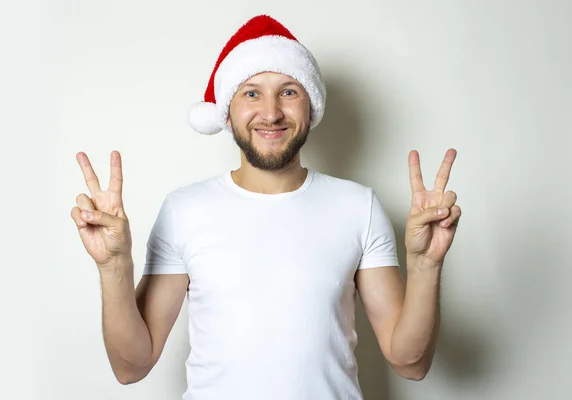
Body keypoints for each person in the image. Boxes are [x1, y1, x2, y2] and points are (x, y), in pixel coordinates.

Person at [71, 15, 461, 400]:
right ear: (227, 111)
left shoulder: (359, 207)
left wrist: (427, 266)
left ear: (312, 106)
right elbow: (130, 367)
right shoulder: (184, 211)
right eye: (252, 93)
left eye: (289, 91)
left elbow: (411, 362)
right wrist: (113, 267)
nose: (271, 112)